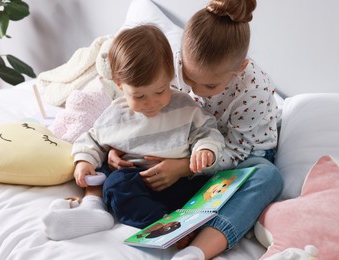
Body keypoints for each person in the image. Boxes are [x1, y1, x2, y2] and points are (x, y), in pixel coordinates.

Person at [109, 0, 284, 259]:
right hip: (186, 146)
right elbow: (153, 108)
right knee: (117, 181)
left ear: (240, 68)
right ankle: (170, 222)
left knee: (269, 176)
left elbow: (238, 150)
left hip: (239, 158)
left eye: (211, 86)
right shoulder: (174, 63)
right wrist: (119, 144)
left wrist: (183, 167)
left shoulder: (253, 90)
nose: (196, 91)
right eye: (189, 79)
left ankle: (198, 250)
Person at [42, 24, 225, 240]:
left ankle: (191, 222)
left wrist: (205, 150)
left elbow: (208, 132)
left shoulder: (185, 106)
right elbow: (91, 139)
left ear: (170, 77)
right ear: (120, 85)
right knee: (116, 185)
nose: (151, 103)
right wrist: (84, 162)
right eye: (139, 96)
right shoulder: (116, 113)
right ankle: (165, 226)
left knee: (216, 186)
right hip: (138, 185)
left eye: (160, 91)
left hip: (180, 182)